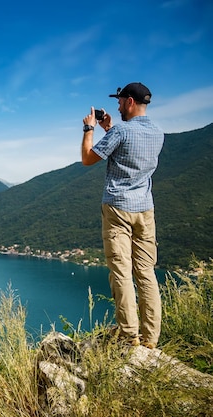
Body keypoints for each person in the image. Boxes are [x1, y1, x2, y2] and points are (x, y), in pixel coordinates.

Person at [80, 82, 164, 349]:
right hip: (145, 210)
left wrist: (90, 128)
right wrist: (111, 128)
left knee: (121, 272)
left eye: (119, 102)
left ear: (129, 101)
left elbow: (87, 158)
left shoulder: (122, 132)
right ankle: (151, 338)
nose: (116, 107)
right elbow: (129, 148)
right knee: (146, 273)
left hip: (117, 208)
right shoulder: (157, 132)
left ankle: (129, 336)